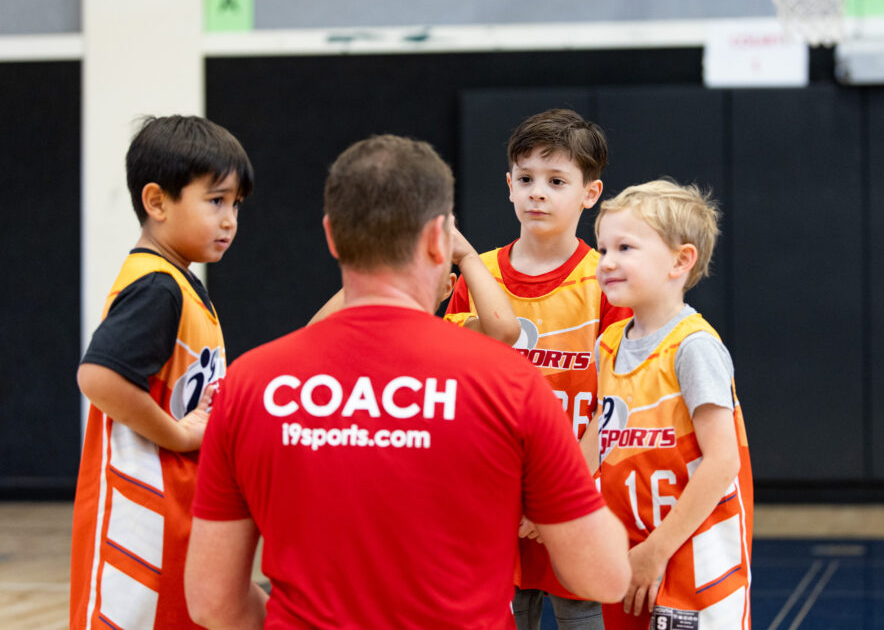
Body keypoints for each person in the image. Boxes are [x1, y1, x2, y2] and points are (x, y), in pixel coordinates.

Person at [185, 134, 630, 629]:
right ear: (439, 239)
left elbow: (211, 603)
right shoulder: (511, 383)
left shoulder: (249, 384)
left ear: (333, 236)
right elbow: (605, 579)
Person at [445, 108, 631, 629]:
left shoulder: (608, 282)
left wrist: (555, 495)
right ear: (508, 186)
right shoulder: (476, 276)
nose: (537, 193)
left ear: (590, 194)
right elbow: (460, 396)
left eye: (556, 181)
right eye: (525, 179)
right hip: (493, 502)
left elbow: (618, 403)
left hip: (574, 498)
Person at [70, 115, 254, 629]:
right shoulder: (157, 287)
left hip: (179, 509)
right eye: (215, 201)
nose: (229, 220)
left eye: (236, 205)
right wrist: (176, 433)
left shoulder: (180, 284)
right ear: (156, 202)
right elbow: (98, 378)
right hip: (137, 518)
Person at [593, 180, 753, 630]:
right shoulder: (608, 344)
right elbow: (599, 436)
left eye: (625, 248)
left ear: (681, 261)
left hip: (692, 557)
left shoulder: (693, 347)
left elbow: (722, 462)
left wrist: (658, 550)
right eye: (603, 249)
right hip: (627, 550)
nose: (607, 263)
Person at [308, 225, 520, 346]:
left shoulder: (449, 335)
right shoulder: (366, 334)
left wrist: (467, 255)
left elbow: (504, 331)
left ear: (448, 286)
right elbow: (312, 338)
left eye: (429, 263)